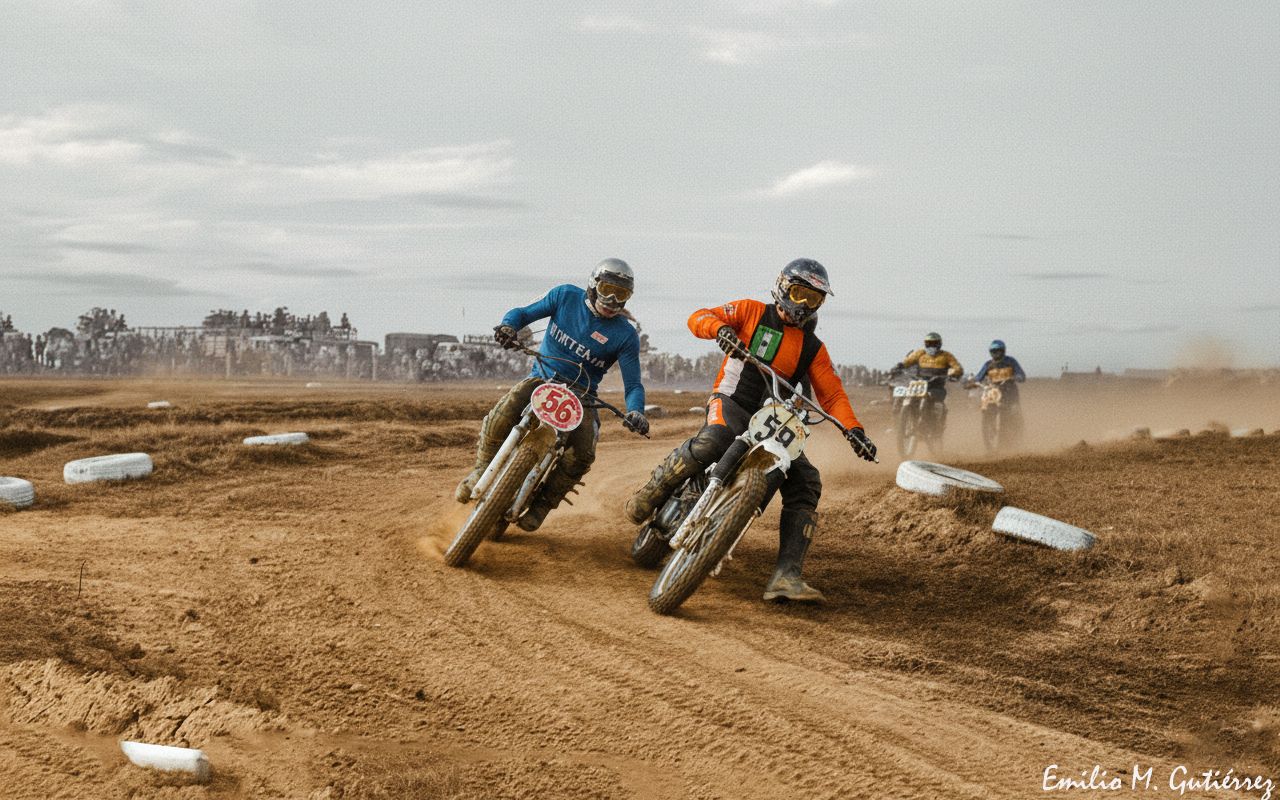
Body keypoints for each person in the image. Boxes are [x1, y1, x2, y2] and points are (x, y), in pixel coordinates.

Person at [624, 258, 877, 603]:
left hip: (774, 421)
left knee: (807, 481)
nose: (803, 305)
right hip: (732, 402)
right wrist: (720, 330)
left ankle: (787, 576)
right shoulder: (751, 311)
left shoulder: (814, 349)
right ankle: (654, 490)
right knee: (715, 440)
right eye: (799, 293)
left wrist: (855, 430)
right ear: (783, 287)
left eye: (813, 299)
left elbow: (832, 393)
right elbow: (697, 317)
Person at [455, 258, 649, 532]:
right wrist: (509, 326)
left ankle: (543, 504)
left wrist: (636, 411)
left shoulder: (626, 335)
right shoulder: (564, 296)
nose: (612, 300)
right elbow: (522, 313)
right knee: (505, 410)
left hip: (582, 397)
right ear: (593, 284)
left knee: (583, 454)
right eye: (607, 289)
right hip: (542, 379)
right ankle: (481, 468)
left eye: (621, 294)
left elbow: (633, 385)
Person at [890, 332, 963, 424]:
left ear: (939, 344)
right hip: (919, 383)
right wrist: (899, 366)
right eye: (929, 343)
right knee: (906, 396)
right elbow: (908, 361)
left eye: (934, 343)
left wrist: (955, 373)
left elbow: (956, 367)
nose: (931, 346)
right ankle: (903, 422)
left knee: (938, 405)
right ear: (925, 344)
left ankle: (937, 425)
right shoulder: (920, 353)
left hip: (936, 385)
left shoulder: (946, 356)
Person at [972, 339, 1026, 404]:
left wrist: (1015, 377)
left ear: (1003, 351)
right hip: (993, 391)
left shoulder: (1011, 361)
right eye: (993, 351)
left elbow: (1021, 375)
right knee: (985, 405)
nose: (995, 353)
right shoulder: (988, 364)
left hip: (1009, 391)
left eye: (998, 351)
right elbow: (979, 377)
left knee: (1014, 409)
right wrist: (971, 383)